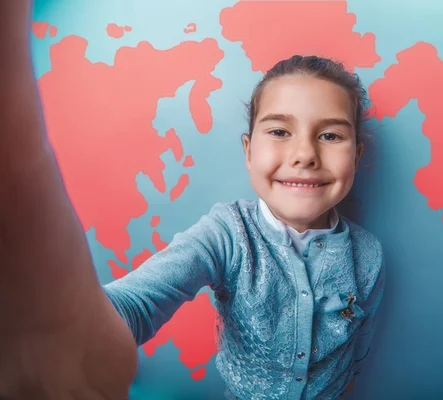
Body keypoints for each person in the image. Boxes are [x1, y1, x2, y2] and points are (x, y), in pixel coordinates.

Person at [0, 1, 385, 399]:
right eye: (280, 132)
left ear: (356, 155)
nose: (304, 154)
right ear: (249, 151)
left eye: (330, 136)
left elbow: (355, 355)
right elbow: (138, 301)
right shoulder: (227, 235)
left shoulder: (369, 257)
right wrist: (68, 323)